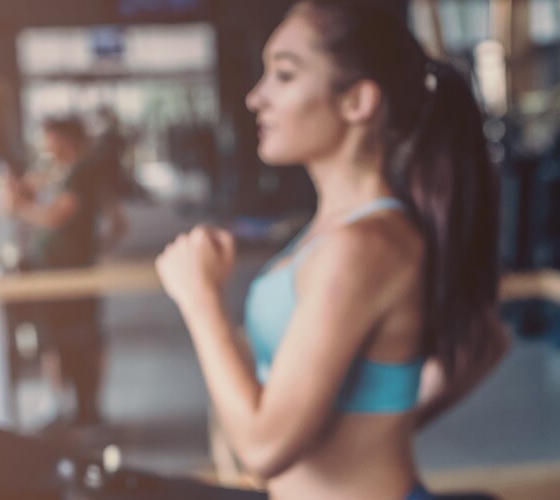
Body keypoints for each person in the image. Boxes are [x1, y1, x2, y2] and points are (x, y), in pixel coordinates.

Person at [153, 1, 509, 498]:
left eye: (284, 75)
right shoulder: (333, 232)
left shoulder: (362, 246)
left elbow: (263, 448)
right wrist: (380, 422)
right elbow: (487, 344)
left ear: (358, 101)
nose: (257, 98)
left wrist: (200, 298)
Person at [4, 115, 131, 432]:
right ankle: (65, 406)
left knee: (82, 338)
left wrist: (20, 208)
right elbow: (117, 222)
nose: (48, 148)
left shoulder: (83, 175)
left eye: (52, 141)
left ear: (66, 140)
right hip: (55, 268)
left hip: (70, 271)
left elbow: (55, 217)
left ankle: (88, 409)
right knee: (56, 340)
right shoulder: (59, 172)